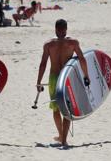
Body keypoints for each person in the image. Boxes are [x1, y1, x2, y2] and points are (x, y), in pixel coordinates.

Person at [36, 19, 90, 147]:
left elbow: (43, 64)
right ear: (66, 29)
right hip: (66, 78)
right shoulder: (73, 43)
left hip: (54, 78)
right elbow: (82, 59)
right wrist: (86, 76)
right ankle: (64, 139)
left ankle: (60, 135)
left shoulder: (49, 44)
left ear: (55, 29)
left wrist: (38, 81)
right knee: (67, 108)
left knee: (56, 109)